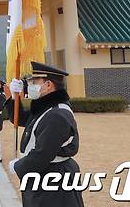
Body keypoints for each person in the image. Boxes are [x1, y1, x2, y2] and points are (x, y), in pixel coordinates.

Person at [6, 62, 84, 207]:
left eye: (34, 82)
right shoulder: (46, 107)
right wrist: (14, 98)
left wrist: (18, 165)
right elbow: (21, 119)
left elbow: (42, 155)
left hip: (54, 178)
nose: (29, 86)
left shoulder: (57, 114)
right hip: (44, 175)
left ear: (48, 85)